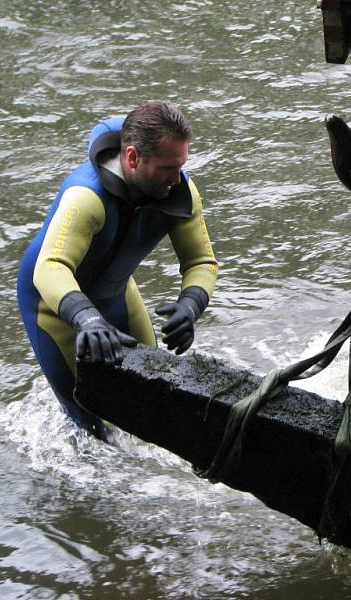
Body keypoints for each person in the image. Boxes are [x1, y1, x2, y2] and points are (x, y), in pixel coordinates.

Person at [17, 101, 218, 438]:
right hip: (52, 307)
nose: (177, 178)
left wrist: (191, 304)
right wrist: (86, 318)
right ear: (133, 157)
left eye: (181, 166)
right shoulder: (86, 197)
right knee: (92, 430)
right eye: (168, 167)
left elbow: (201, 262)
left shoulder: (181, 191)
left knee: (159, 395)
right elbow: (49, 268)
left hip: (117, 293)